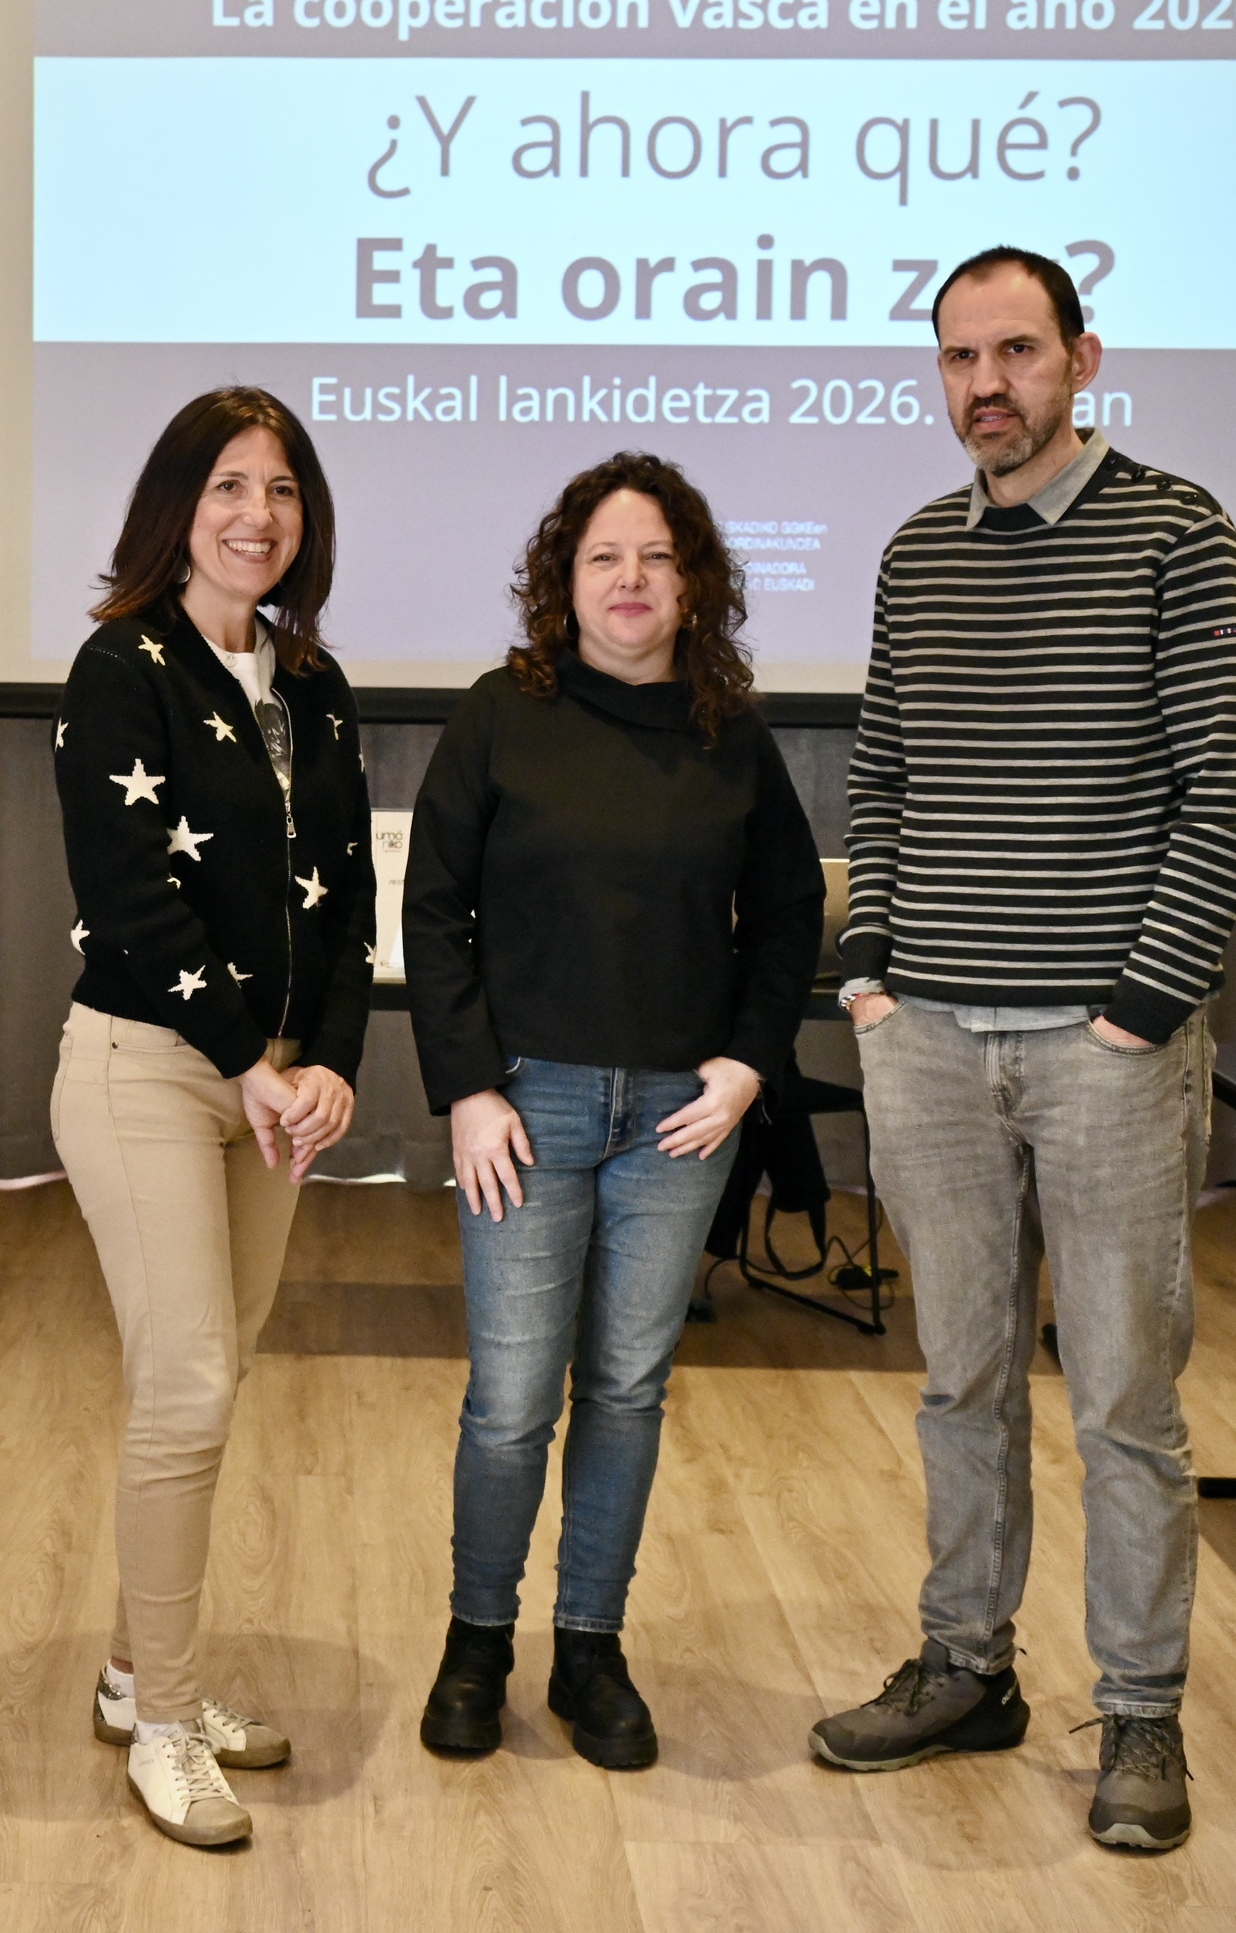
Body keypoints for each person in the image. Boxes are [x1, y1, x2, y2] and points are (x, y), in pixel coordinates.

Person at [808, 247, 1236, 1852]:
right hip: (927, 1034)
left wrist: (1142, 1005)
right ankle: (966, 1667)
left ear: (1083, 358)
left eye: (1016, 351)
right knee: (960, 1381)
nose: (984, 384)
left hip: (1104, 1053)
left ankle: (1141, 1720)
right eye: (959, 358)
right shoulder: (915, 552)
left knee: (1127, 1400)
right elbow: (882, 777)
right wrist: (867, 967)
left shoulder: (1176, 531)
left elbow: (1231, 790)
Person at [404, 452, 823, 1771]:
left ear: (692, 583)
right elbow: (433, 912)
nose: (631, 580)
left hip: (678, 1124)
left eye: (656, 557)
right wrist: (467, 1088)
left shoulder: (730, 735)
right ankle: (479, 1640)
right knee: (514, 1399)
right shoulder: (499, 715)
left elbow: (794, 914)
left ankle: (591, 1649)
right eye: (604, 558)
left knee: (631, 1391)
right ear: (562, 581)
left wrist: (750, 1069)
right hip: (526, 1111)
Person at [50, 387, 374, 1848]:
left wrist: (332, 1064)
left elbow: (350, 900)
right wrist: (253, 1056)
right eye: (231, 485)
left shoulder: (314, 684)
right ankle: (167, 1725)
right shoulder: (123, 667)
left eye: (284, 491)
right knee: (185, 1387)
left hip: (271, 1085)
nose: (260, 515)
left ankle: (141, 1673)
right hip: (147, 1070)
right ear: (179, 505)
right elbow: (128, 891)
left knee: (212, 1382)